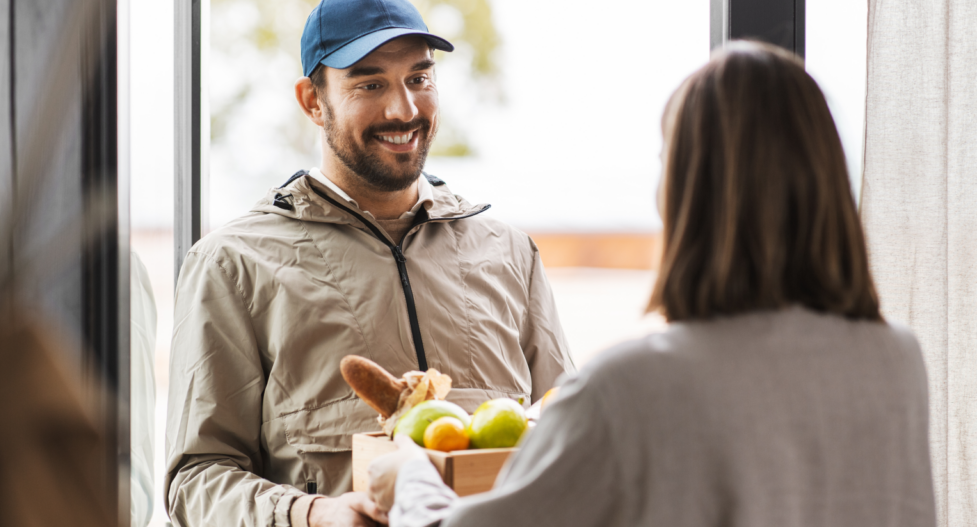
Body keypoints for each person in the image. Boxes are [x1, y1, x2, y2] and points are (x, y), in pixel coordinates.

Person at [372, 41, 937, 527]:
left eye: (667, 159)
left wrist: (410, 482)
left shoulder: (627, 388)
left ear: (686, 192)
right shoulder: (895, 360)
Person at [165, 0, 574, 527]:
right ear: (313, 101)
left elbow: (574, 434)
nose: (404, 109)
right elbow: (196, 481)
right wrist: (314, 514)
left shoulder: (509, 252)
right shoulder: (232, 264)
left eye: (419, 79)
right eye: (370, 83)